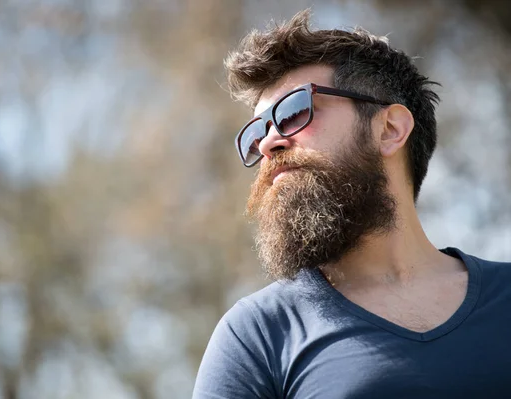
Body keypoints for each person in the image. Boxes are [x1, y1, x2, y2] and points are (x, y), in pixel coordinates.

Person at [193, 9, 511, 399]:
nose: (268, 143)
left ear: (390, 129)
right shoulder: (256, 336)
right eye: (256, 134)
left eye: (294, 110)